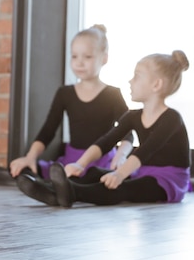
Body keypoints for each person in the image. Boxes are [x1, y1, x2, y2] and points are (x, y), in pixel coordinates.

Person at [19, 50, 191, 207]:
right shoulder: (133, 116)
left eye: (137, 76)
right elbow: (106, 142)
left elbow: (145, 151)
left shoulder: (172, 119)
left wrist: (119, 174)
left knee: (122, 187)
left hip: (169, 181)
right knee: (94, 172)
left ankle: (73, 192)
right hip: (142, 172)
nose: (130, 81)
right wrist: (80, 164)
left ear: (156, 85)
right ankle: (51, 190)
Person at [9, 25, 133, 205]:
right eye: (74, 56)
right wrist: (30, 157)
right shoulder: (65, 93)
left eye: (87, 57)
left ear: (104, 58)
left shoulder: (112, 94)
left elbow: (128, 132)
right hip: (71, 160)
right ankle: (59, 189)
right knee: (19, 169)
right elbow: (48, 130)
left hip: (102, 162)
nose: (79, 62)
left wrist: (120, 156)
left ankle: (54, 190)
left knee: (95, 177)